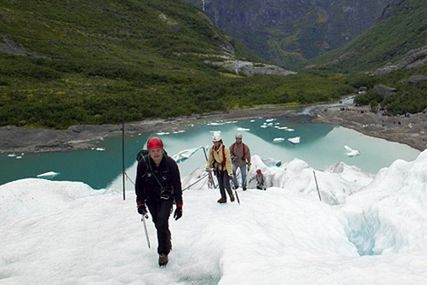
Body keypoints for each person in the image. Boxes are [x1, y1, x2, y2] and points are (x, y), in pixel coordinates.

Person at [135, 137, 183, 266]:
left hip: (166, 198)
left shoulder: (171, 164)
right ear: (149, 152)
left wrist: (179, 205)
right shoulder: (143, 164)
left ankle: (163, 253)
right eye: (153, 151)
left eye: (158, 150)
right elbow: (139, 184)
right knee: (158, 223)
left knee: (161, 222)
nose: (156, 154)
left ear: (162, 150)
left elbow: (177, 184)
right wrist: (140, 203)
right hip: (150, 198)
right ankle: (166, 239)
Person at [207, 132, 235, 203]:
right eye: (214, 142)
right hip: (218, 169)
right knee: (220, 184)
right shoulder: (212, 150)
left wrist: (230, 172)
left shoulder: (225, 149)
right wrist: (208, 166)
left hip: (225, 168)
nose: (215, 143)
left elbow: (228, 161)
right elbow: (210, 159)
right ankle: (223, 198)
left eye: (216, 142)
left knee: (226, 183)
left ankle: (231, 195)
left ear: (219, 141)